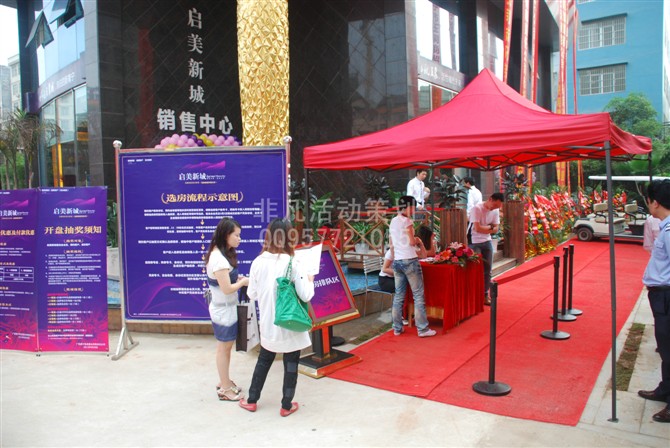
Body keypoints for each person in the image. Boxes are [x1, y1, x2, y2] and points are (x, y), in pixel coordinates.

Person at [239, 218, 315, 417]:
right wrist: (310, 279)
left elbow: (252, 294)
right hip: (291, 324)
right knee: (291, 363)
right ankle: (286, 405)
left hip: (268, 324)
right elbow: (306, 295)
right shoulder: (294, 263)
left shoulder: (257, 262)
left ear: (269, 236)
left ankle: (252, 400)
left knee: (264, 360)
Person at [204, 217, 249, 401]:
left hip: (225, 308)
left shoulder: (220, 255)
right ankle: (225, 389)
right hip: (224, 311)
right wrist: (243, 283)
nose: (239, 239)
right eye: (236, 235)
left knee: (225, 347)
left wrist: (237, 281)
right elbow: (227, 289)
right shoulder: (218, 260)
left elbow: (227, 282)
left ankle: (225, 380)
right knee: (224, 348)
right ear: (225, 235)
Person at [637, 179, 670, 423]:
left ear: (655, 202)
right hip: (661, 295)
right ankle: (665, 389)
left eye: (648, 200)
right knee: (665, 347)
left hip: (666, 295)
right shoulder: (664, 226)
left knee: (669, 348)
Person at [389, 196, 435, 338]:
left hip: (397, 261)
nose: (413, 211)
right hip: (409, 260)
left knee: (398, 296)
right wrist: (417, 240)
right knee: (418, 295)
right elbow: (411, 242)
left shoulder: (393, 221)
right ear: (408, 207)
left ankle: (397, 328)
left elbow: (394, 242)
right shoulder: (407, 221)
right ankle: (422, 329)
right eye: (413, 208)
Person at [469, 192, 504, 306]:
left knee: (488, 270)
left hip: (487, 240)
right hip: (474, 241)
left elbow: (496, 229)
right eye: (495, 205)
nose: (495, 208)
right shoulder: (477, 208)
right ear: (490, 199)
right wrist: (490, 227)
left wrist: (487, 228)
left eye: (498, 207)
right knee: (475, 268)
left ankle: (484, 294)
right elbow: (477, 228)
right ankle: (473, 295)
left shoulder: (495, 210)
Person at [462, 176, 482, 244]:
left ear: (468, 183)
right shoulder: (478, 191)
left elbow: (470, 205)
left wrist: (468, 215)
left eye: (464, 183)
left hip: (472, 215)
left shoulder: (471, 192)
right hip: (478, 214)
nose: (464, 185)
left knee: (470, 234)